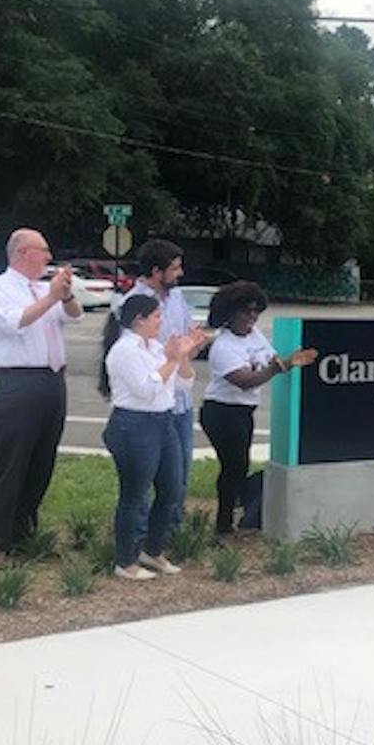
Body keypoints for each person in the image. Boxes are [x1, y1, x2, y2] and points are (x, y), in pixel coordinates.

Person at [0, 229, 81, 569]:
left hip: (50, 380)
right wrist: (49, 298)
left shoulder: (42, 289)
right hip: (11, 381)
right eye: (43, 251)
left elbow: (73, 315)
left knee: (41, 462)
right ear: (23, 253)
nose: (48, 257)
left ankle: (21, 534)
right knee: (11, 463)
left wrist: (64, 294)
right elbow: (14, 322)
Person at [99, 294, 207, 580]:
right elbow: (146, 389)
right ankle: (126, 560)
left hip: (164, 421)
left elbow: (184, 383)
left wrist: (182, 355)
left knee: (171, 489)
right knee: (135, 493)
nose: (161, 321)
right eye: (157, 316)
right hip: (133, 424)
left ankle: (153, 549)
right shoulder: (124, 350)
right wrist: (171, 359)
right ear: (139, 320)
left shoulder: (156, 347)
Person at [200, 281, 317, 535]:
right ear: (230, 313)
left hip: (244, 411)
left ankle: (238, 512)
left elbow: (270, 358)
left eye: (256, 311)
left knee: (238, 466)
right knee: (233, 466)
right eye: (246, 311)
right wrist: (280, 367)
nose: (252, 317)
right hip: (221, 411)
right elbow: (245, 381)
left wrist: (286, 361)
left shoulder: (254, 335)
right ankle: (223, 526)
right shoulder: (223, 346)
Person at [122, 239, 194, 528]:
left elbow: (186, 339)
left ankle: (170, 531)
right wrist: (172, 356)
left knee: (180, 473)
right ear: (156, 271)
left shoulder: (177, 298)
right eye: (174, 268)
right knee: (147, 477)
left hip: (181, 402)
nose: (180, 273)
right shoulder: (134, 303)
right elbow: (132, 353)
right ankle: (141, 535)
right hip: (151, 404)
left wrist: (191, 345)